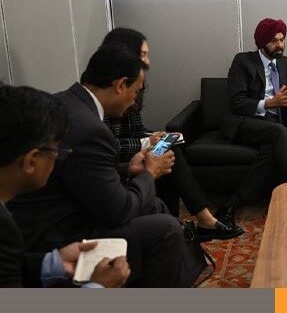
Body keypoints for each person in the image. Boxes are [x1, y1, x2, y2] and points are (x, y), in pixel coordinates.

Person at [7, 43, 190, 287]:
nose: (134, 101)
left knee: (155, 206)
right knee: (166, 231)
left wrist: (128, 170)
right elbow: (119, 211)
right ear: (120, 85)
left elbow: (81, 175)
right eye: (136, 92)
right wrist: (149, 172)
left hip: (60, 213)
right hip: (52, 232)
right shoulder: (91, 129)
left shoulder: (67, 102)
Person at [102, 28, 242, 241]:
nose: (148, 61)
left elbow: (136, 130)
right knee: (169, 152)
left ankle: (176, 226)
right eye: (143, 55)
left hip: (135, 154)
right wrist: (146, 142)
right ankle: (196, 221)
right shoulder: (108, 93)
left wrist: (153, 136)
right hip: (120, 162)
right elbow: (109, 145)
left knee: (168, 147)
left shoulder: (134, 84)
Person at [0, 85, 130, 288]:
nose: (58, 159)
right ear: (31, 161)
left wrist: (54, 262)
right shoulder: (4, 230)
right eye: (57, 151)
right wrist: (98, 287)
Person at [219, 18, 287, 222]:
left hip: (273, 125)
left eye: (282, 39)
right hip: (245, 122)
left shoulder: (286, 63)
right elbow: (236, 103)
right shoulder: (243, 61)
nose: (280, 45)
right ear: (262, 42)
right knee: (278, 131)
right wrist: (270, 103)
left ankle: (232, 204)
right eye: (274, 41)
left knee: (270, 145)